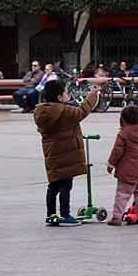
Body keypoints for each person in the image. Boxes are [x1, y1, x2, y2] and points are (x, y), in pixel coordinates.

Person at [34, 79, 99, 226]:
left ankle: (51, 214)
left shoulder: (41, 111)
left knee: (53, 186)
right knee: (65, 186)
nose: (68, 95)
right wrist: (92, 95)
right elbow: (82, 111)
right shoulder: (65, 111)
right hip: (67, 155)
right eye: (66, 93)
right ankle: (65, 214)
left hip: (52, 154)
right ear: (59, 97)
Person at [106, 105, 138, 226]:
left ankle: (117, 217)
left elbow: (117, 151)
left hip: (127, 171)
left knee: (122, 194)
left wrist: (111, 164)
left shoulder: (124, 132)